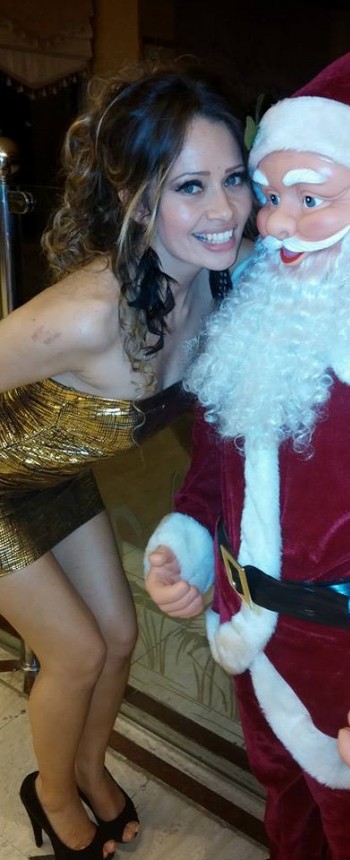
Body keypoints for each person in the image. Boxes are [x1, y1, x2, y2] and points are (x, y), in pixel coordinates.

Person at [144, 33, 350, 860]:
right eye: (269, 196)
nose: (274, 224)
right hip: (256, 651)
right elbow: (216, 460)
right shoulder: (257, 305)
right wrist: (190, 540)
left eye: (311, 198)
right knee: (288, 822)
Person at [0, 63, 253, 860]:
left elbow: (322, 260)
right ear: (135, 198)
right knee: (75, 651)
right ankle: (50, 794)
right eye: (191, 187)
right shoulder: (86, 314)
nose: (224, 210)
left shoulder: (219, 274)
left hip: (53, 476)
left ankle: (87, 768)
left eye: (235, 178)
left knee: (117, 634)